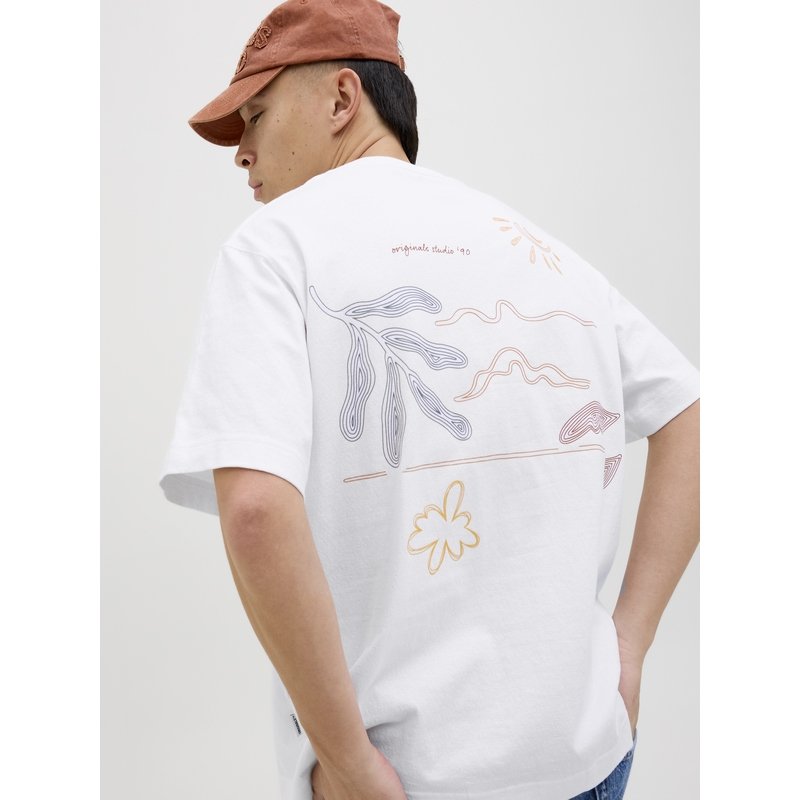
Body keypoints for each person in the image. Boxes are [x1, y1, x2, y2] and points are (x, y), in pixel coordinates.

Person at [157, 1, 700, 798]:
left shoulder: (273, 250)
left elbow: (257, 512)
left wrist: (347, 763)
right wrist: (629, 647)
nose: (241, 150)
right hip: (586, 756)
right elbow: (692, 413)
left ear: (343, 99)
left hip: (408, 778)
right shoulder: (540, 253)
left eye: (257, 114)